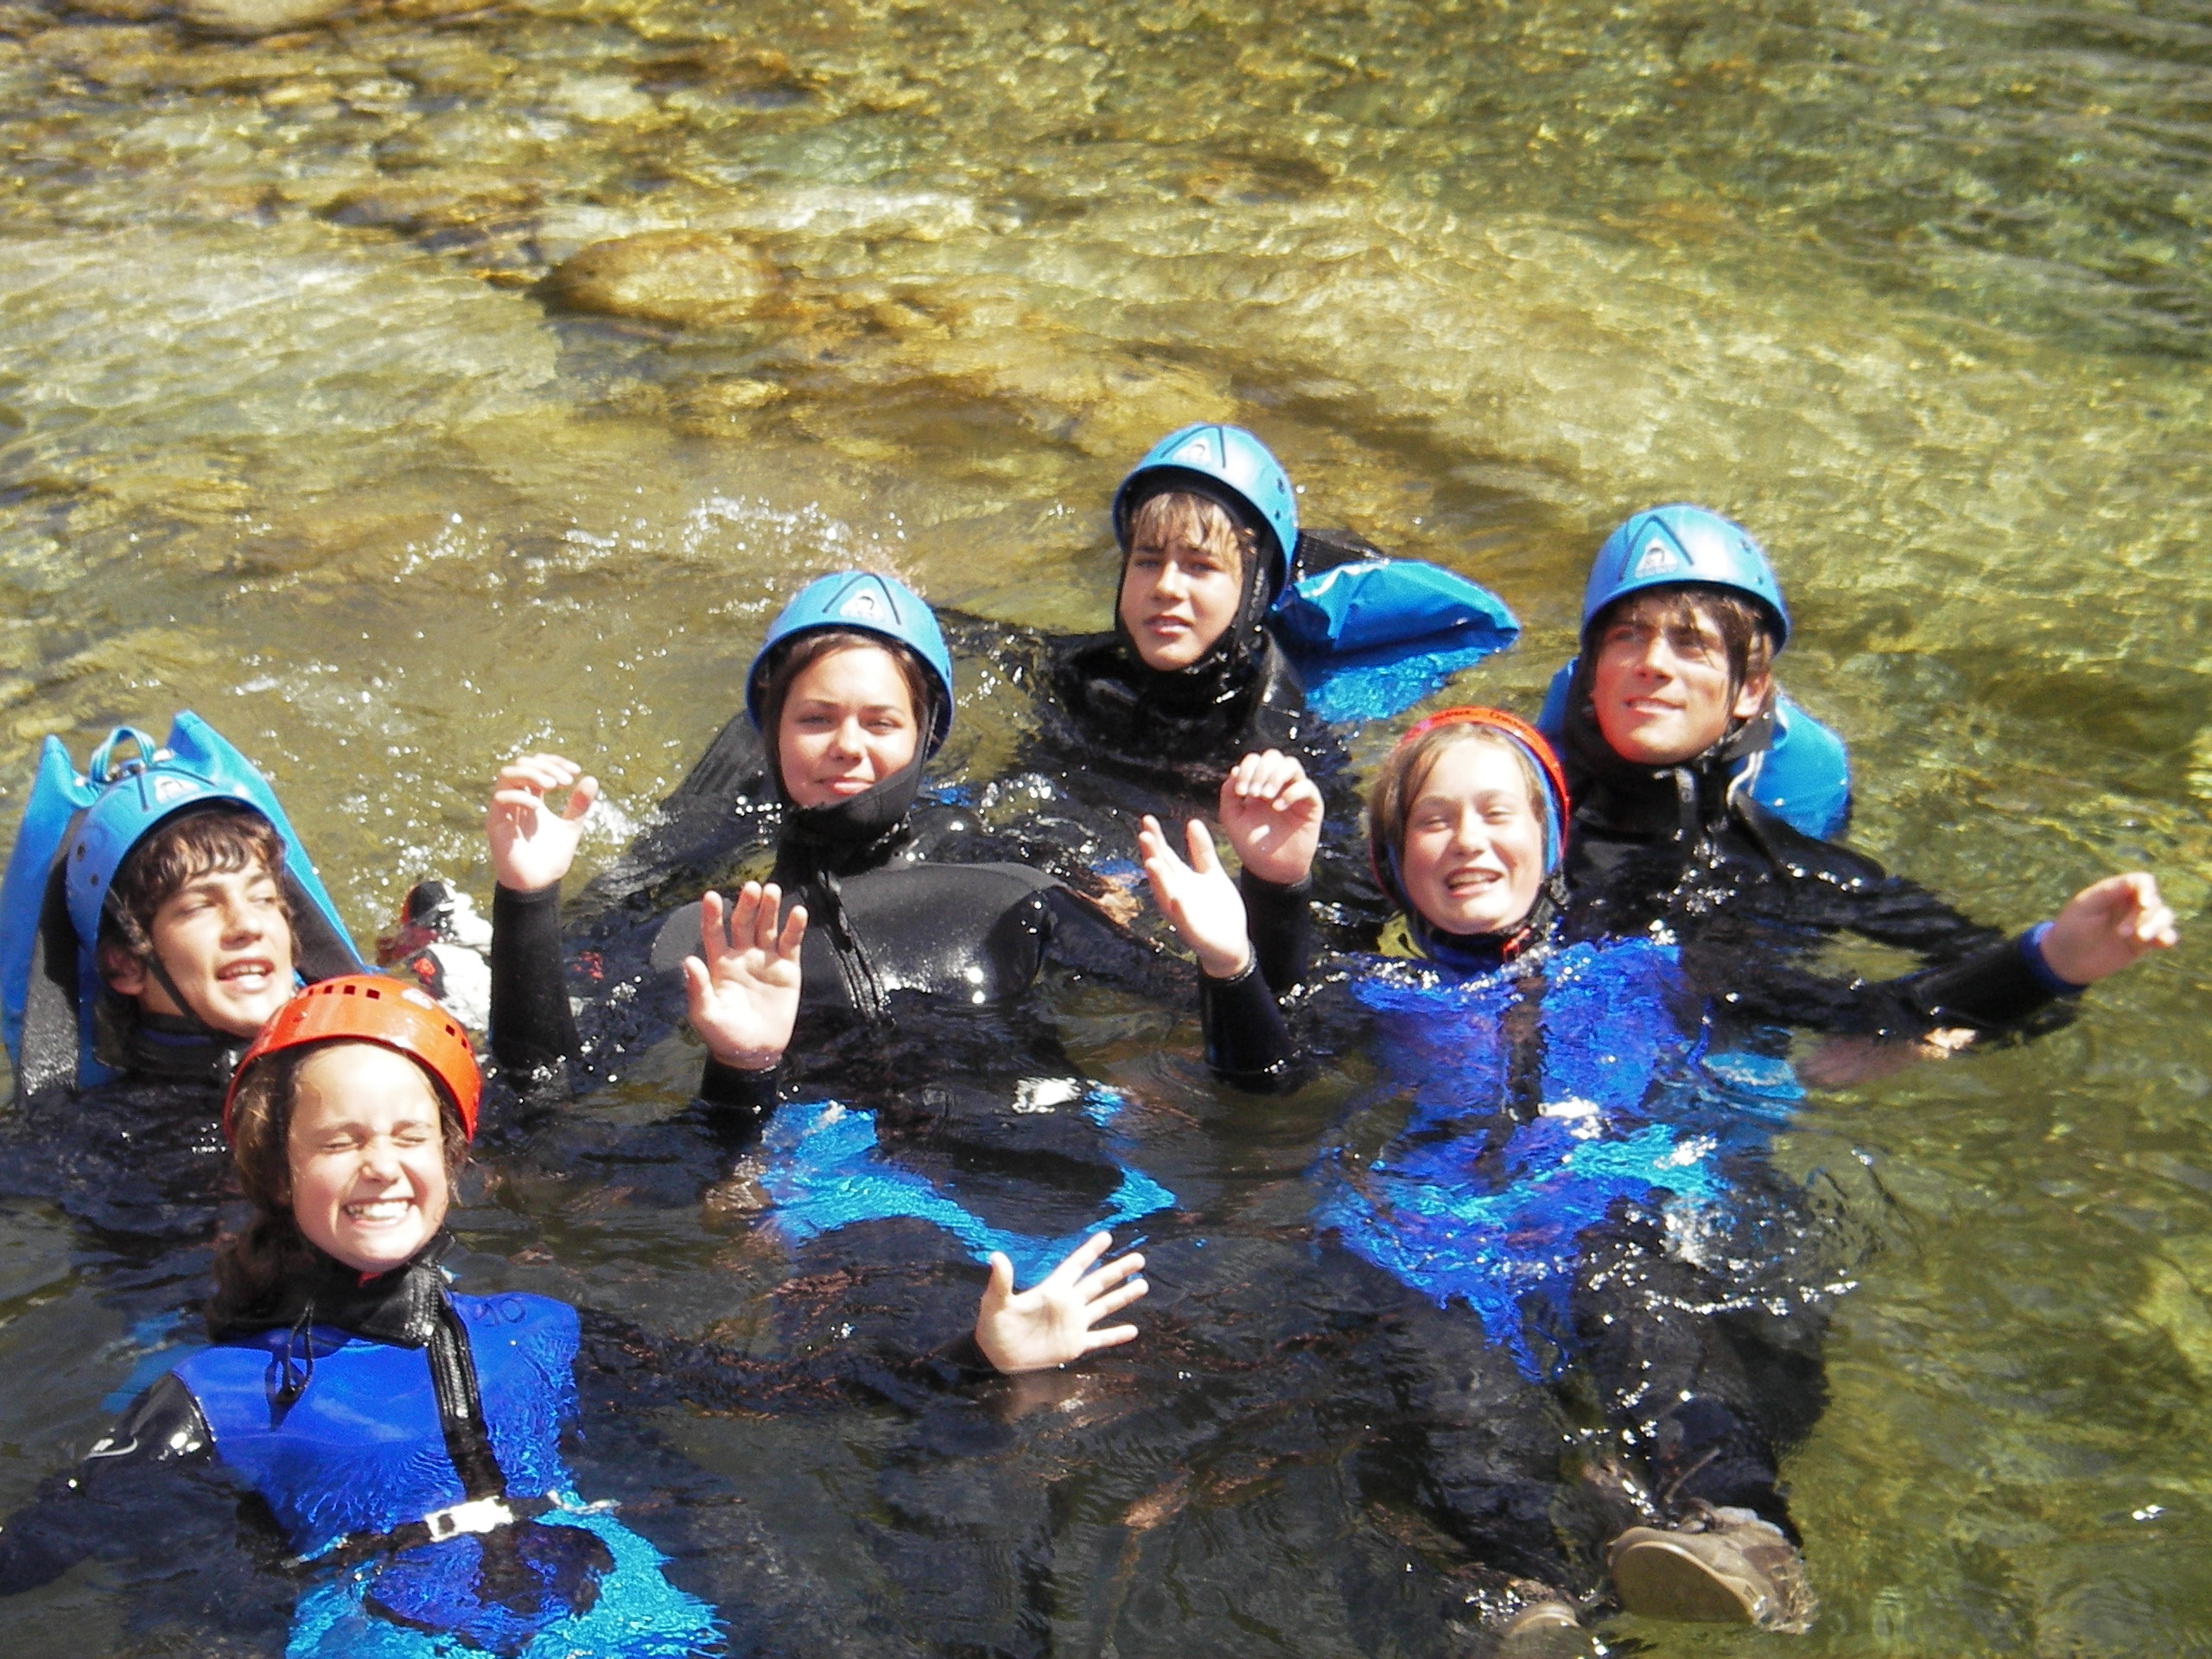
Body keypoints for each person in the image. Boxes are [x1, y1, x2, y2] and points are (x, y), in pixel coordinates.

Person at [1141, 707, 2177, 1637]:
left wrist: (2051, 958)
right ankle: (1519, 1599)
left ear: (1550, 838)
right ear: (1392, 861)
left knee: (1632, 1288)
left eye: (1497, 813)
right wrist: (1234, 958)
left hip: (1622, 1211)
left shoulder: (1655, 963)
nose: (1468, 841)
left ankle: (1737, 1530)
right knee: (1452, 1380)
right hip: (1445, 1240)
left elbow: (1880, 1006)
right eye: (1433, 821)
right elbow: (1264, 1086)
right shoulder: (1376, 988)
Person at [0, 715, 362, 1241]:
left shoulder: (372, 1060)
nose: (247, 926)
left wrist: (525, 896)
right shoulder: (90, 1146)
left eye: (264, 898)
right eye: (198, 908)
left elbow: (522, 1107)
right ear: (123, 965)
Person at [1536, 504, 1852, 843]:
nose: (1653, 663)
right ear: (1591, 677)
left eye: (1692, 644)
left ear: (1749, 690)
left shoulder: (1790, 782)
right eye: (1628, 635)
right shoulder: (1542, 760)